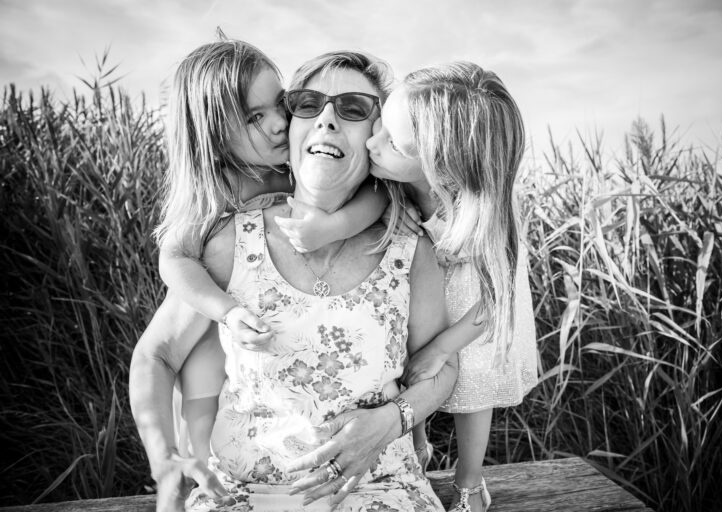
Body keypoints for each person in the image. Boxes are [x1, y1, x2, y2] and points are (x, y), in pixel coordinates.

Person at [130, 50, 459, 512]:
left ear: (378, 136)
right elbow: (158, 353)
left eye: (353, 108)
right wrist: (166, 461)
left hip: (378, 489)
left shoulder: (410, 247)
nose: (326, 118)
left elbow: (441, 368)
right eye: (308, 103)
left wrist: (392, 421)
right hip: (244, 495)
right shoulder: (228, 236)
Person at [152, 37, 388, 464]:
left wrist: (334, 227)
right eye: (254, 117)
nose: (280, 122)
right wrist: (223, 309)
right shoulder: (220, 190)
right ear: (215, 136)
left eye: (280, 104)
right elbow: (174, 258)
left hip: (269, 347)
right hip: (226, 336)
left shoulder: (290, 163)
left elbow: (378, 193)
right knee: (201, 388)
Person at [366, 62, 538, 512]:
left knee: (472, 384)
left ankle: (469, 481)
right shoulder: (395, 183)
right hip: (425, 294)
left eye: (393, 144)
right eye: (380, 128)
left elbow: (495, 299)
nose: (372, 144)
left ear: (443, 163)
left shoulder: (483, 210)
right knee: (405, 364)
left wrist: (445, 346)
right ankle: (415, 450)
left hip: (474, 311)